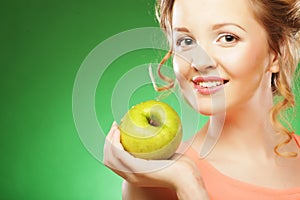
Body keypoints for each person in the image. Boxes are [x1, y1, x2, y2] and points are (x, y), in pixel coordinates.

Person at [104, 0, 300, 199]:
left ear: (277, 52)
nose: (199, 62)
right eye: (186, 41)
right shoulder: (157, 182)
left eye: (227, 38)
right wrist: (186, 183)